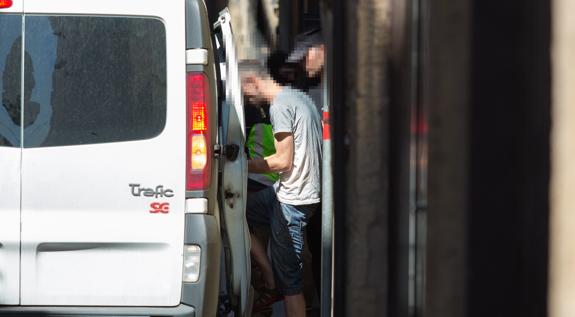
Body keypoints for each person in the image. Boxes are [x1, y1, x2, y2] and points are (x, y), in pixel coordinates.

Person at [240, 61, 322, 317]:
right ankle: (270, 276)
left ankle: (276, 282)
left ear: (252, 80)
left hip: (293, 200)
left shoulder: (279, 106)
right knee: (238, 212)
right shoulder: (297, 96)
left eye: (245, 93)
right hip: (289, 192)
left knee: (291, 285)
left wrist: (240, 165)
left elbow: (282, 161)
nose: (248, 100)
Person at [287, 27, 326, 301]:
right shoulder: (312, 92)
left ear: (320, 51)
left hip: (325, 186)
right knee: (316, 246)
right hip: (317, 187)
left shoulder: (323, 94)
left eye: (305, 56)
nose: (302, 64)